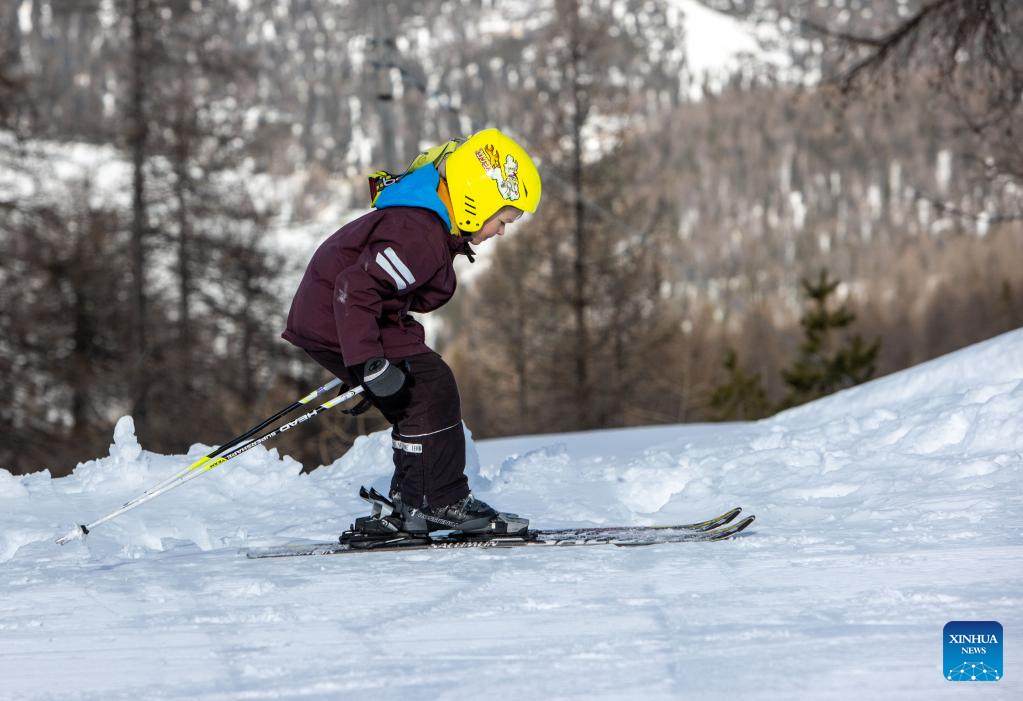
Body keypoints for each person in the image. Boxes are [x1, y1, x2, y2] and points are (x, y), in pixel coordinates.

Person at [282, 128, 541, 536]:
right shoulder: (420, 236)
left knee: (418, 387)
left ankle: (414, 501)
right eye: (503, 219)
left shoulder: (427, 224)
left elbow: (381, 291)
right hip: (339, 317)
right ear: (477, 201)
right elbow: (357, 287)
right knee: (430, 387)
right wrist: (369, 363)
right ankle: (434, 501)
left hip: (345, 317)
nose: (501, 232)